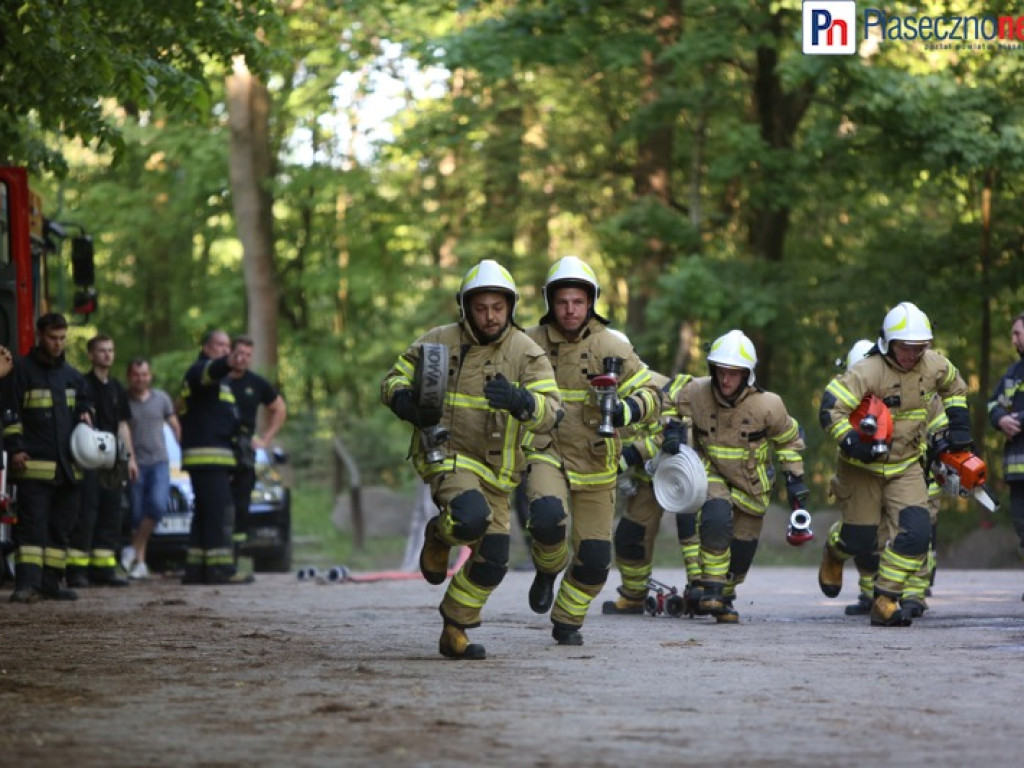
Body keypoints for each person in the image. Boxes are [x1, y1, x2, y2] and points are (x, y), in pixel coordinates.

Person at [381, 259, 562, 660]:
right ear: (465, 307)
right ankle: (440, 535)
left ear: (510, 307)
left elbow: (553, 411)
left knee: (494, 559)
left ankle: (454, 628)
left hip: (498, 471)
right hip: (446, 455)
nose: (489, 316)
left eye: (498, 308)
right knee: (468, 516)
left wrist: (522, 401)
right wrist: (405, 402)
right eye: (480, 308)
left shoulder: (526, 353)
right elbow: (393, 378)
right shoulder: (438, 341)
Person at [521, 256, 661, 645]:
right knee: (547, 517)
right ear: (550, 302)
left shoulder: (611, 346)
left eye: (578, 302)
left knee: (597, 558)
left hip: (597, 461)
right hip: (545, 449)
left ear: (590, 303)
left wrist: (627, 410)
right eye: (562, 302)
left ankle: (567, 618)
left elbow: (652, 392)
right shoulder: (527, 343)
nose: (570, 310)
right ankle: (548, 568)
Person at [818, 301, 971, 627]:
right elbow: (831, 408)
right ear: (888, 342)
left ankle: (885, 599)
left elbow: (955, 386)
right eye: (906, 348)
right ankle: (835, 549)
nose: (912, 355)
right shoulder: (868, 370)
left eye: (920, 348)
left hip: (905, 465)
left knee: (917, 534)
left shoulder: (933, 365)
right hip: (862, 469)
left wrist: (958, 426)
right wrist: (852, 441)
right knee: (860, 541)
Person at [662, 329, 807, 623]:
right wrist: (671, 427)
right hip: (711, 474)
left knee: (742, 553)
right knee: (715, 517)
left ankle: (725, 593)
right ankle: (712, 588)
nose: (726, 380)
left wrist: (795, 480)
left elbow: (789, 440)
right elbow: (664, 401)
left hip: (752, 486)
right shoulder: (697, 392)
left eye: (734, 373)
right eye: (721, 372)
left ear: (747, 375)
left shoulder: (769, 405)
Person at [1, 313, 92, 603]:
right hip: (33, 467)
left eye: (63, 338)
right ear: (40, 336)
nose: (58, 343)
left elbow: (84, 412)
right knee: (32, 529)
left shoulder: (73, 376)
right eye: (53, 338)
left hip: (68, 469)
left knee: (60, 530)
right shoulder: (21, 371)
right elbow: (9, 412)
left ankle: (51, 583)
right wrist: (15, 448)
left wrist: (86, 416)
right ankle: (27, 584)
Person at [603, 366, 696, 615]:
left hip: (686, 472)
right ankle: (633, 595)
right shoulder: (599, 394)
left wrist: (630, 456)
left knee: (693, 535)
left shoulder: (654, 387)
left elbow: (672, 434)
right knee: (630, 535)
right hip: (649, 477)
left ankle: (703, 592)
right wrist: (623, 472)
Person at [178, 329, 251, 585]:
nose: (225, 350)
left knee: (205, 512)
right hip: (208, 458)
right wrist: (228, 361)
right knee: (218, 512)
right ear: (206, 348)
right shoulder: (200, 372)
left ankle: (197, 569)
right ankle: (220, 569)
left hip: (214, 459)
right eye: (220, 345)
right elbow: (211, 371)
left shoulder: (221, 383)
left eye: (227, 346)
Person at [66, 334, 138, 588]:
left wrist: (129, 459)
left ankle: (104, 569)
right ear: (91, 355)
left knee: (111, 514)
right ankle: (77, 571)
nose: (107, 354)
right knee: (86, 514)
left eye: (111, 350)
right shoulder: (81, 384)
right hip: (88, 460)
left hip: (112, 462)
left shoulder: (117, 388)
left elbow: (122, 425)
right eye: (102, 350)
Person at [226, 334, 287, 563]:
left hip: (244, 452)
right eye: (239, 353)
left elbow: (280, 409)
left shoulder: (256, 383)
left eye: (248, 355)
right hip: (218, 448)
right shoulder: (218, 380)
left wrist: (265, 440)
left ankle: (235, 556)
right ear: (230, 353)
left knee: (242, 505)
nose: (242, 359)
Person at [125, 357, 180, 579]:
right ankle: (139, 563)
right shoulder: (124, 401)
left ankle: (132, 550)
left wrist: (183, 449)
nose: (140, 379)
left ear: (150, 376)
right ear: (129, 376)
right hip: (135, 463)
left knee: (157, 507)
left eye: (144, 374)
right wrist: (129, 459)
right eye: (136, 375)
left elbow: (175, 425)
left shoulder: (162, 399)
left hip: (159, 461)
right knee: (137, 514)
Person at [988, 311, 1024, 600]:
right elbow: (992, 404)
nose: (1013, 339)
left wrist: (1019, 419)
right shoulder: (1012, 373)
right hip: (1017, 470)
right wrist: (1000, 418)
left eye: (1017, 333)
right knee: (1021, 525)